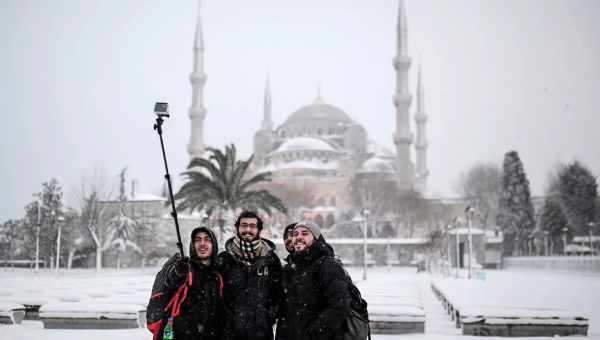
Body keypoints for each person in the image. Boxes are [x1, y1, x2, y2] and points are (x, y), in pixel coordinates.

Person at [277, 221, 351, 340]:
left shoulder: (328, 265)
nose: (298, 237)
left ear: (316, 238)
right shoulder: (290, 268)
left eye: (305, 233)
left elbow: (340, 305)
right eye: (295, 234)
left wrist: (315, 333)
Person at [217, 211, 282, 340]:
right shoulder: (224, 259)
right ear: (237, 228)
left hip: (262, 334)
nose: (248, 229)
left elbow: (279, 293)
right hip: (229, 334)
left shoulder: (271, 260)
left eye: (252, 226)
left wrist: (268, 316)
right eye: (244, 225)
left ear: (259, 230)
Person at [150, 226, 224, 340]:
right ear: (192, 245)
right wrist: (177, 273)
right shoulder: (184, 269)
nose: (202, 243)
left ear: (214, 245)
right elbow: (171, 282)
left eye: (207, 239)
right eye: (197, 240)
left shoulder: (218, 276)